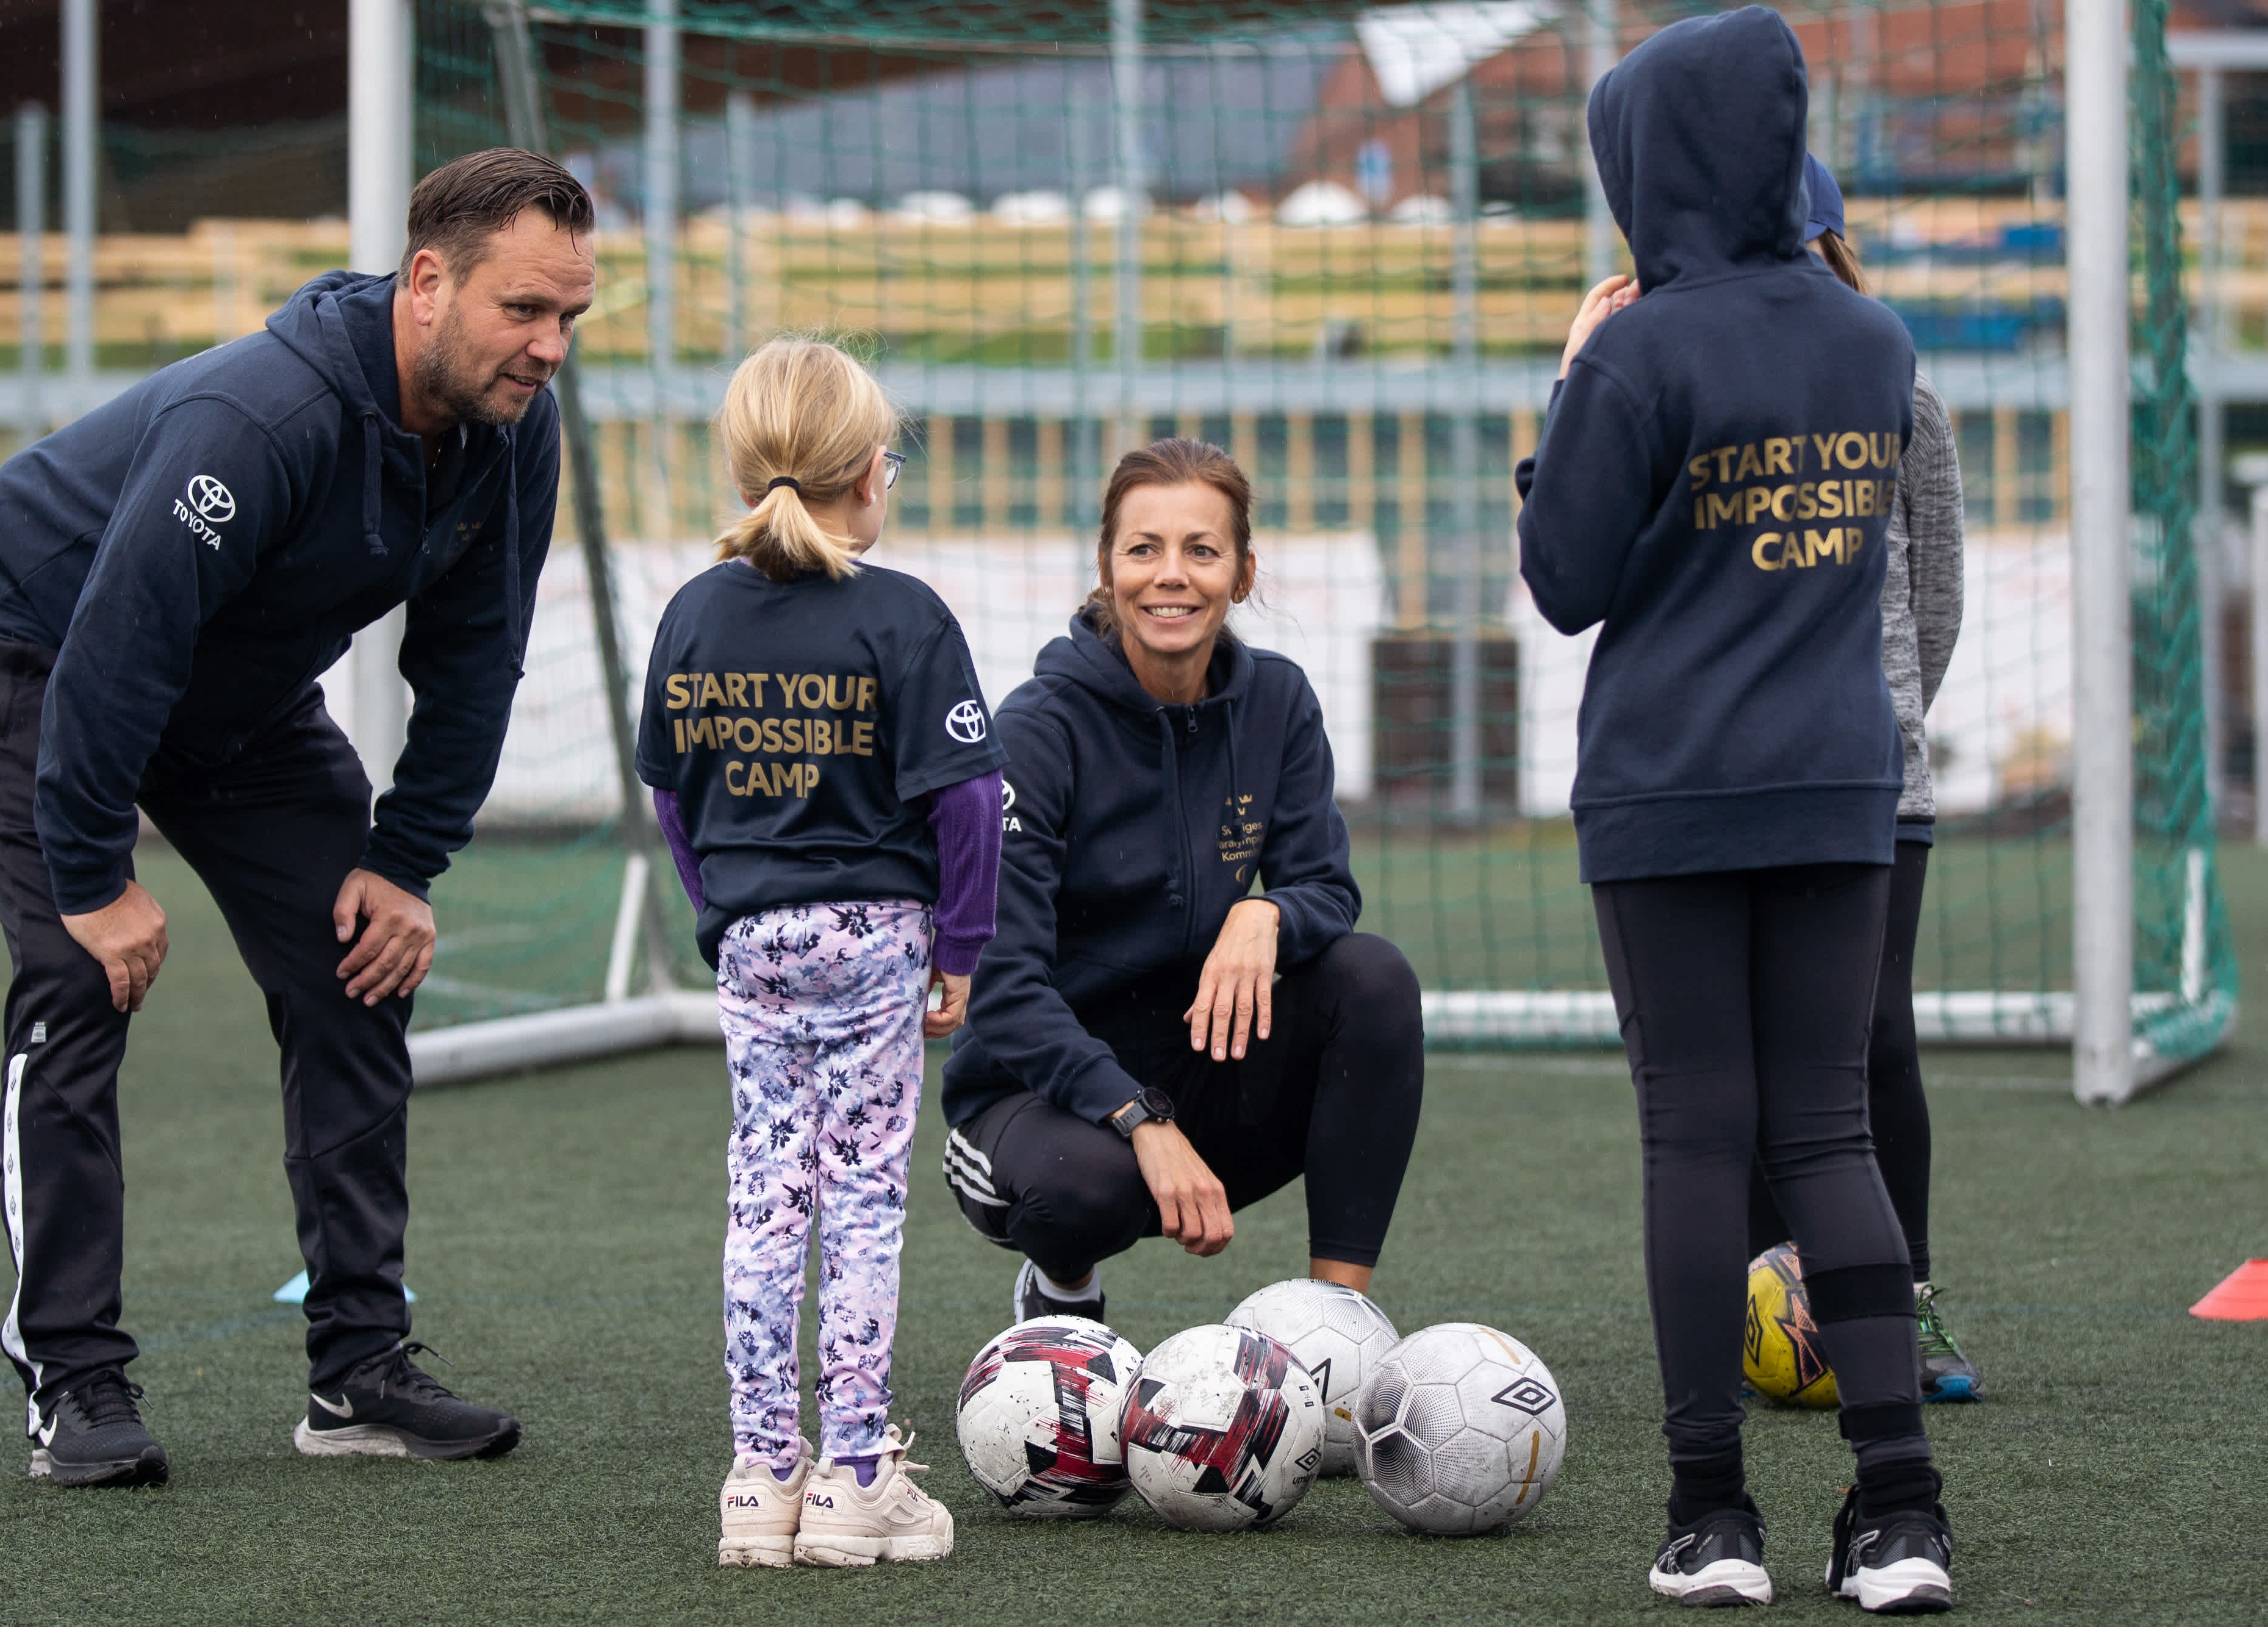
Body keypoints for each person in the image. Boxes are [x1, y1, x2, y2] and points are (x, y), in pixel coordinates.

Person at [0, 147, 586, 1486]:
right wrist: (94, 869)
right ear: (426, 281)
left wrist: (403, 862)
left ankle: (357, 1369)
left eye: (571, 314)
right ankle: (72, 1375)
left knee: (361, 961)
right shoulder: (267, 413)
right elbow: (121, 641)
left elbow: (476, 656)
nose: (550, 345)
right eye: (524, 309)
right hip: (48, 637)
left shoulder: (514, 425)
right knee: (75, 973)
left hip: (235, 692)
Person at [1517, 9, 1956, 1612]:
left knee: (1695, 1137)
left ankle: (1714, 1516)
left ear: (1655, 165)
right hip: (1844, 782)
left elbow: (1567, 581)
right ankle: (1902, 1508)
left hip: (1671, 788)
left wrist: (1572, 383)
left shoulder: (1639, 347)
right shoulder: (1875, 343)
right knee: (1830, 1128)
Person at [636, 337, 1005, 1569]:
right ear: (864, 473)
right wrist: (960, 944)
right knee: (859, 1200)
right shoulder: (902, 614)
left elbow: (674, 797)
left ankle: (758, 1477)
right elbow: (964, 803)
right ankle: (852, 1477)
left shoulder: (692, 610)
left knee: (763, 1196)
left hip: (754, 943)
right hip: (874, 938)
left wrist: (716, 912)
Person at [941, 437, 1424, 1329]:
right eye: (1144, 549)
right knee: (1081, 1189)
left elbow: (1327, 888)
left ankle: (1337, 1332)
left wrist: (1266, 914)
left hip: (1206, 1079)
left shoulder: (1279, 703)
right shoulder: (1040, 729)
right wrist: (1137, 1118)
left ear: (1242, 573)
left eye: (1202, 550)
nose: (1173, 576)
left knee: (1375, 979)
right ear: (1107, 567)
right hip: (1040, 1102)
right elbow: (1003, 988)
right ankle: (1063, 1291)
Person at [1745, 155, 1981, 1405]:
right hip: (1732, 785)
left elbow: (1932, 600)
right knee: (1735, 1045)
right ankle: (1751, 1297)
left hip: (1870, 786)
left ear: (1833, 251)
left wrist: (1882, 723)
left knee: (1868, 1036)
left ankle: (1908, 1295)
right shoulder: (1695, 394)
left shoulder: (1902, 396)